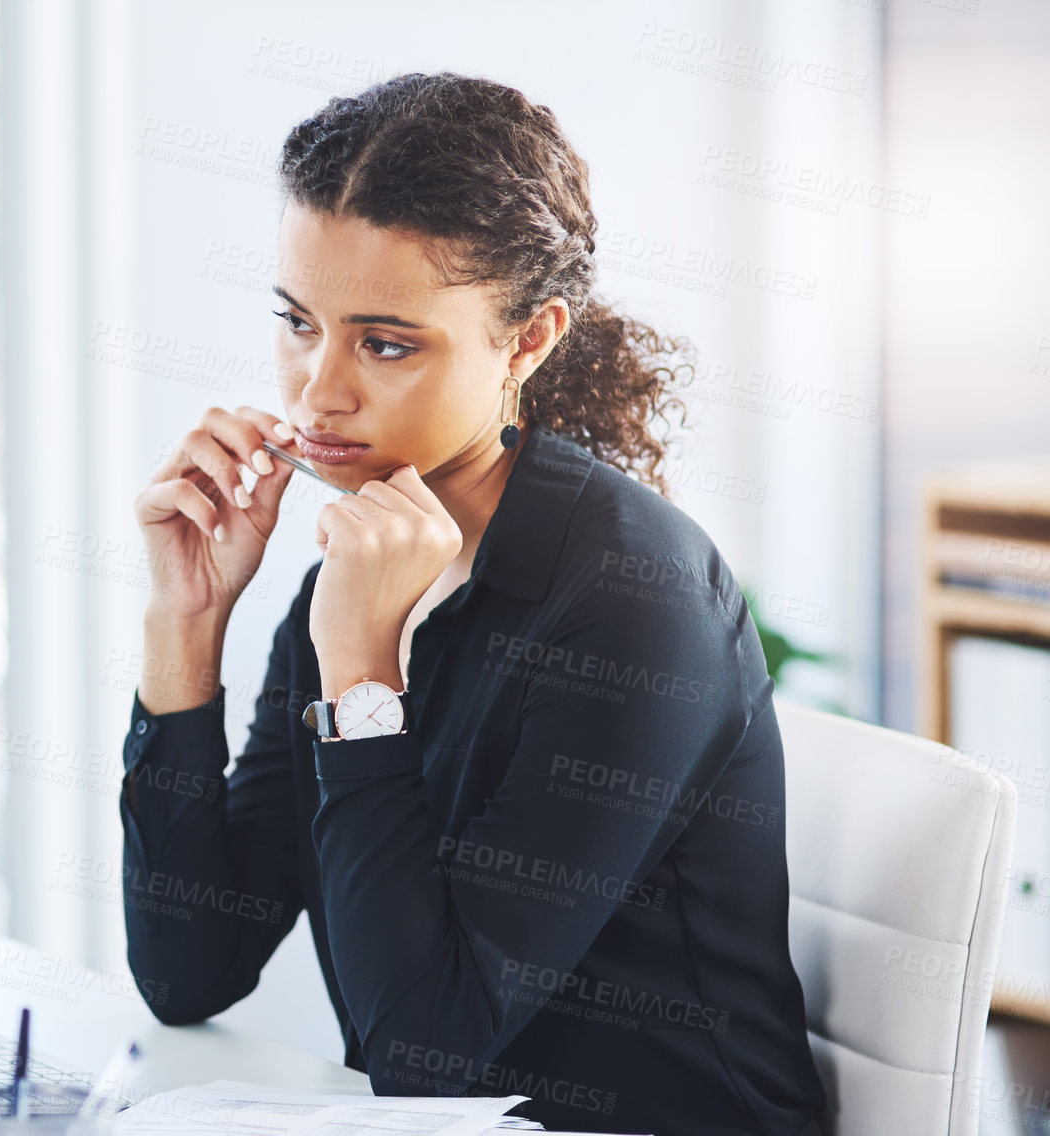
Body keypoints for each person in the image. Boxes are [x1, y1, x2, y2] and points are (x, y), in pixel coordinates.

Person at [118, 73, 826, 1136]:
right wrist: (186, 620)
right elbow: (189, 966)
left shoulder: (636, 604)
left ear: (528, 340)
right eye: (297, 322)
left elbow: (422, 1060)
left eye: (385, 342)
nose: (317, 391)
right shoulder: (355, 574)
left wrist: (361, 671)